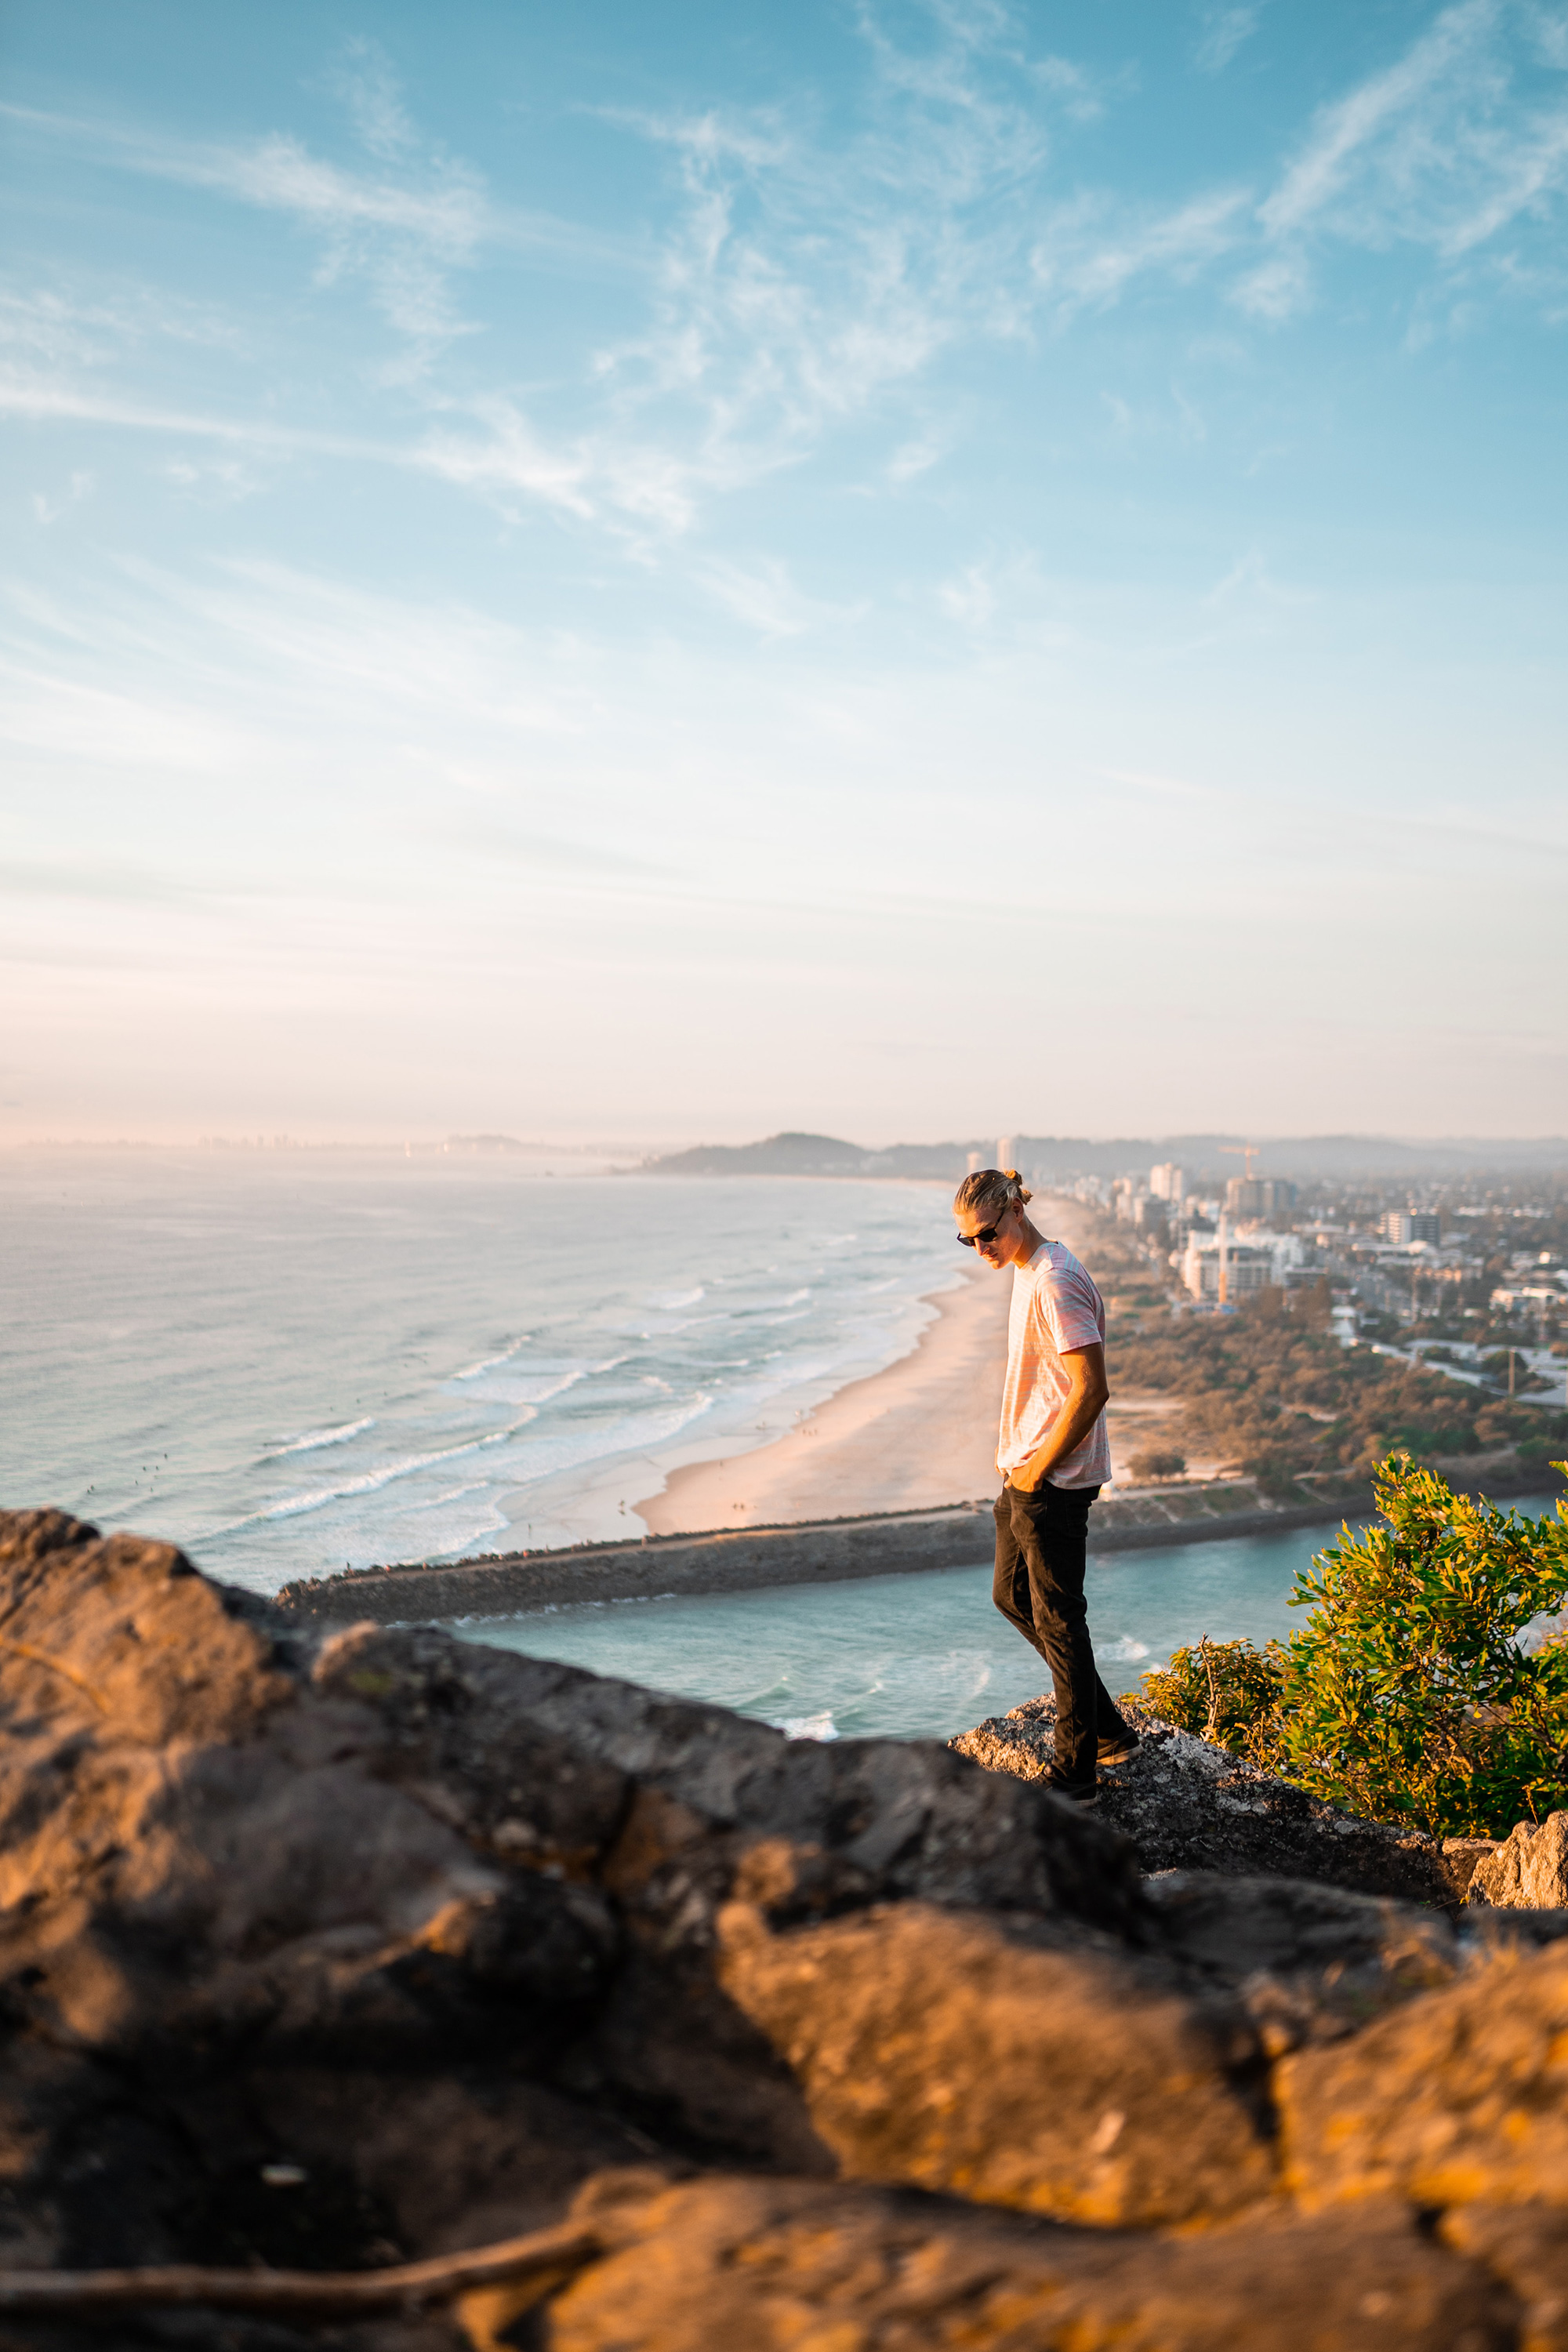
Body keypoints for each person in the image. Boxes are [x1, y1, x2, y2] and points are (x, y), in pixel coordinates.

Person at [953, 1167, 1138, 1802]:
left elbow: (1092, 1389)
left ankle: (1077, 1772)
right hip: (1027, 1471)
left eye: (986, 1234)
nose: (980, 1248)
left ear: (1014, 1211)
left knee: (1061, 1619)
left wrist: (1037, 1470)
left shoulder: (1055, 1280)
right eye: (967, 1241)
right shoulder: (1030, 1271)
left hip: (1051, 1478)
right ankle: (1109, 1728)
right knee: (1012, 1596)